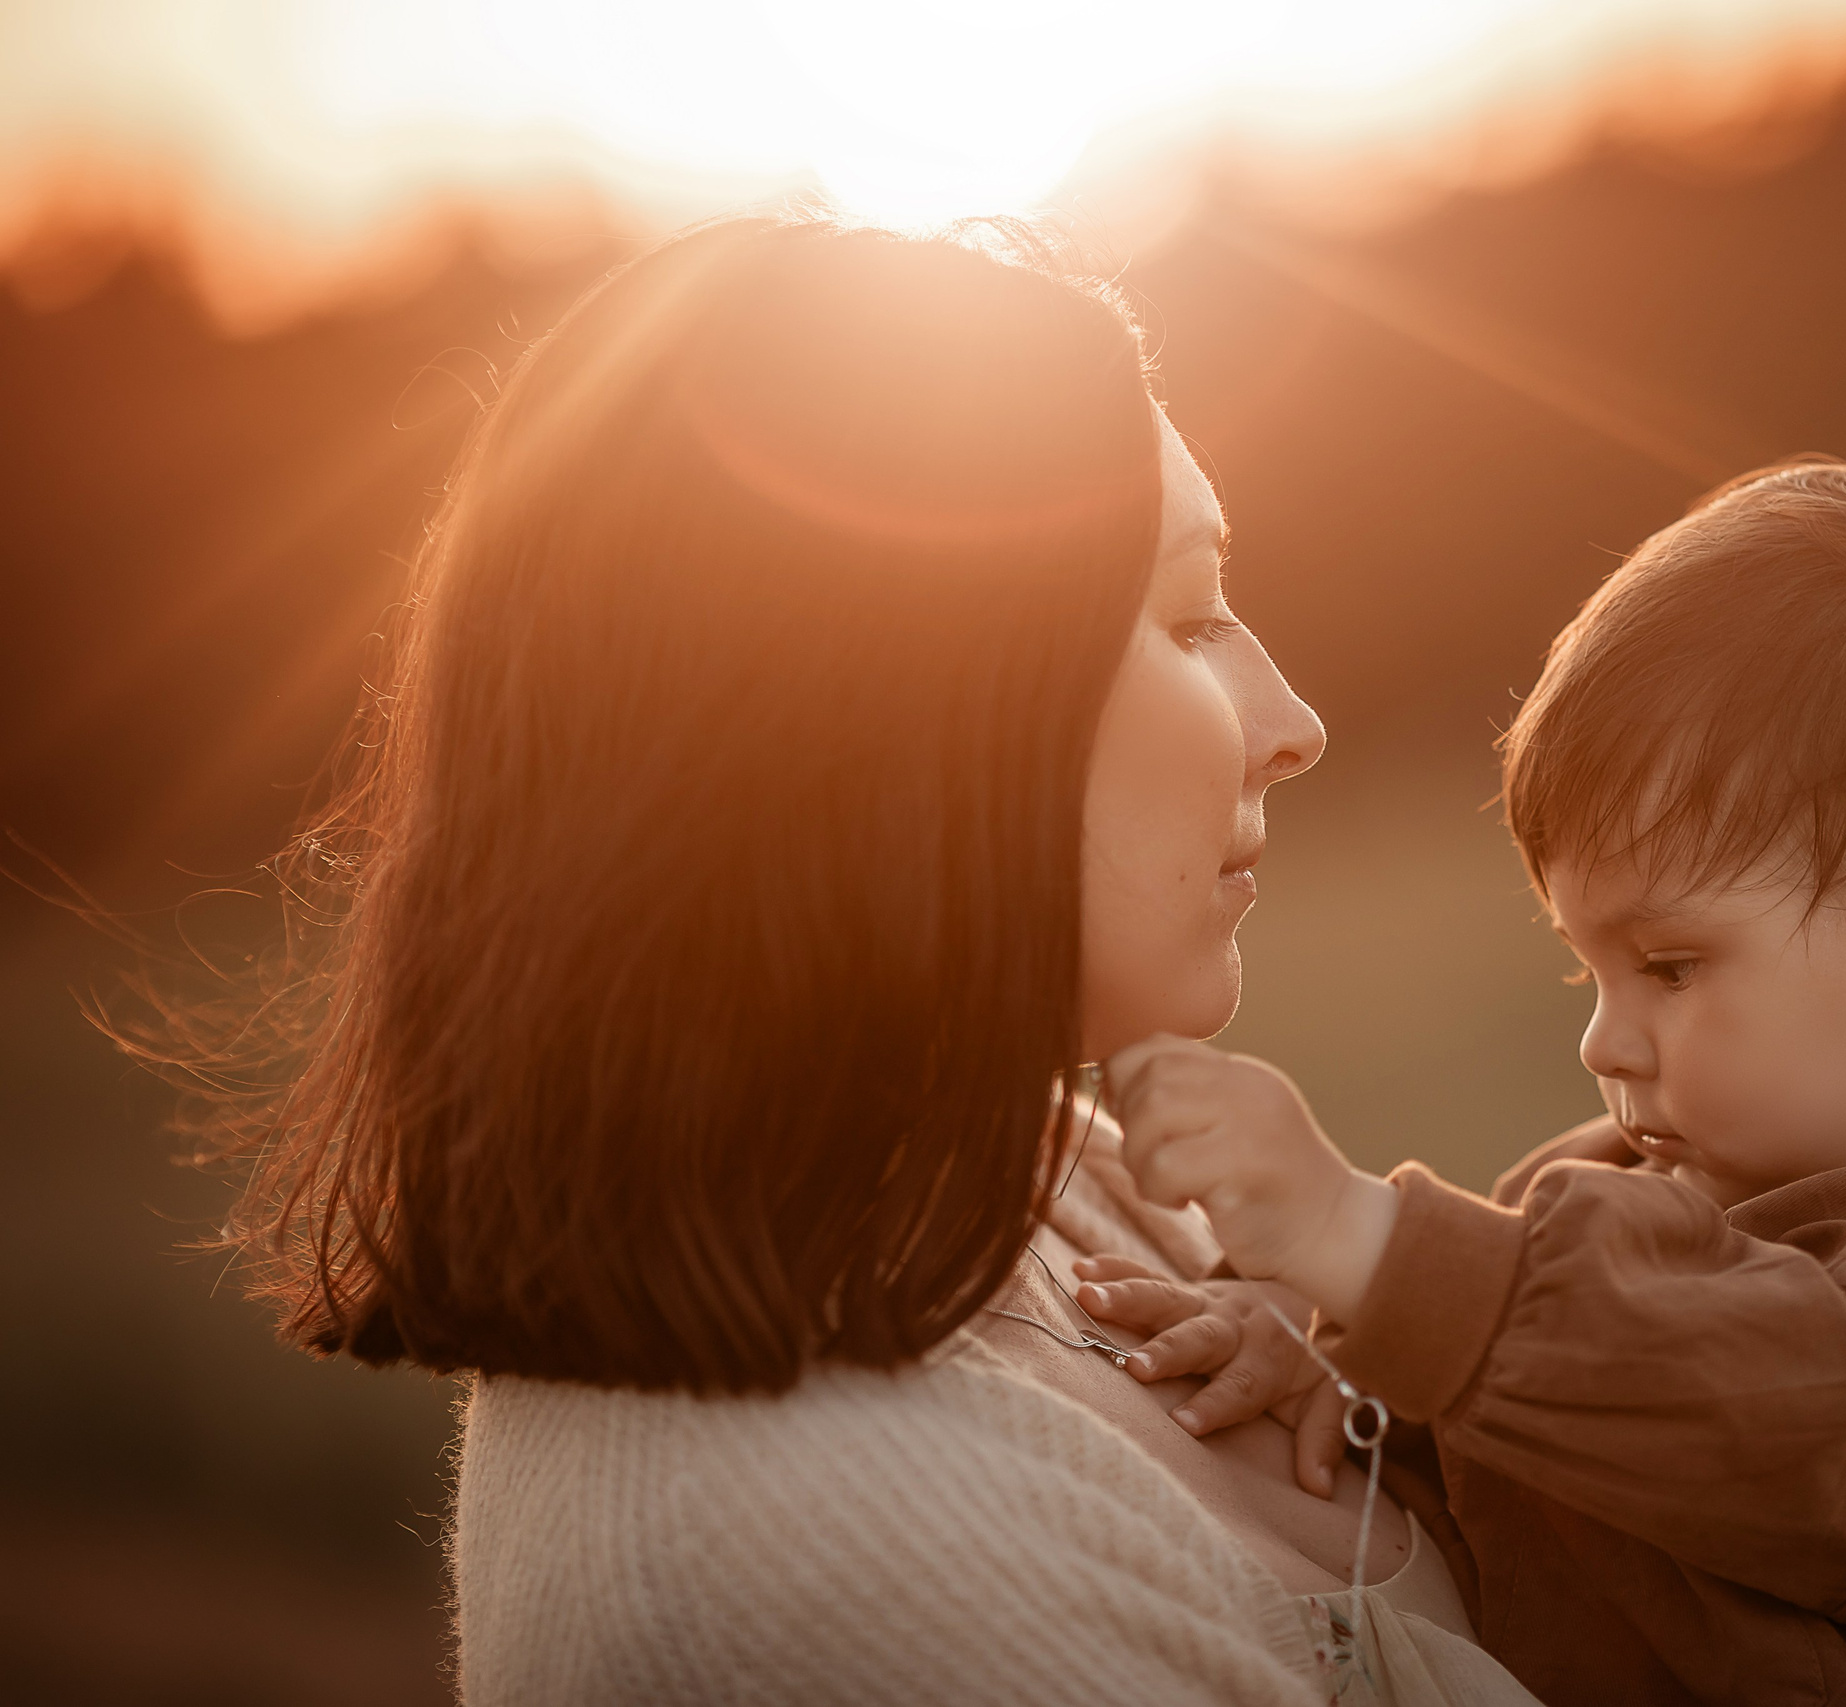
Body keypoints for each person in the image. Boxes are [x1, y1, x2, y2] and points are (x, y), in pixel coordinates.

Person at [132, 211, 1545, 1706]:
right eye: (1188, 615)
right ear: (901, 731)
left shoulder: (1027, 1167)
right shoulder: (828, 1578)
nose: (1293, 717)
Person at [1090, 459, 1846, 1704]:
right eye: (1587, 973)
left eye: (1671, 966)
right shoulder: (1650, 1181)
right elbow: (1550, 1433)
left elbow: (1747, 1408)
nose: (1603, 1044)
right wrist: (1343, 1364)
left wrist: (1359, 1239)